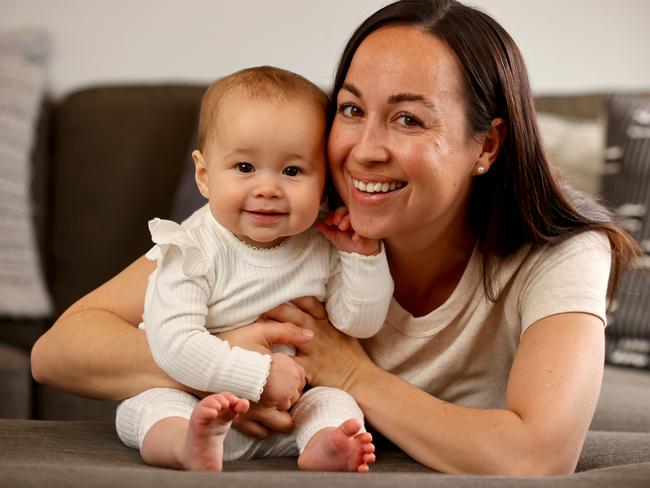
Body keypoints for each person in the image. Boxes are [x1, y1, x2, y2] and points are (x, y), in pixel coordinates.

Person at [31, 0, 640, 476]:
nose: (364, 151)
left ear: (487, 145)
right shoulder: (294, 222)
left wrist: (350, 376)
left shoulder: (559, 254)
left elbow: (537, 456)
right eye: (351, 110)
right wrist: (227, 361)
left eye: (408, 118)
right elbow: (61, 350)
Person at [113, 66, 392, 472]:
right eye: (245, 168)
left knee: (335, 403)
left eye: (292, 171)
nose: (268, 188)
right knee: (150, 407)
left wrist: (363, 257)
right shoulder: (192, 247)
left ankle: (322, 447)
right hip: (195, 403)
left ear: (324, 186)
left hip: (286, 413)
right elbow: (172, 343)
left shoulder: (321, 244)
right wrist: (259, 375)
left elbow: (358, 323)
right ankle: (187, 446)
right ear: (205, 176)